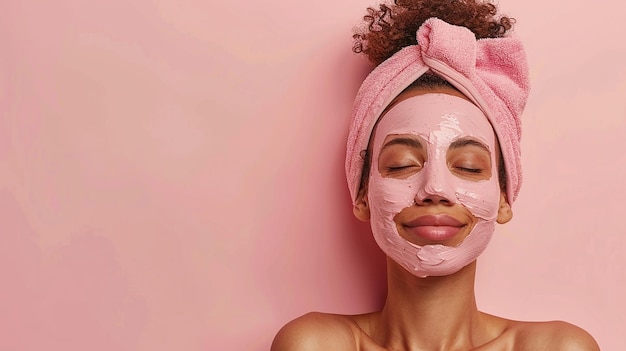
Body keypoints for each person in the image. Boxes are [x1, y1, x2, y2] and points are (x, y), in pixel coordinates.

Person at [271, 0, 600, 350]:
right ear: (363, 194)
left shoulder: (558, 347)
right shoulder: (316, 344)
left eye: (469, 167)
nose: (435, 188)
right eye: (401, 164)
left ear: (504, 197)